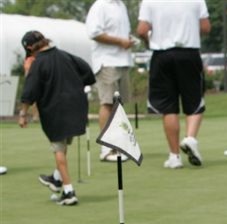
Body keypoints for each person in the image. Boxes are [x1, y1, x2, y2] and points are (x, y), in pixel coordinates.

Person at [18, 31, 95, 206]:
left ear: (30, 48)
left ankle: (69, 191)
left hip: (57, 111)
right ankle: (56, 178)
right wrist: (74, 85)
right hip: (77, 108)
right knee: (63, 145)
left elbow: (29, 91)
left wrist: (23, 114)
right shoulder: (66, 55)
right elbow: (88, 74)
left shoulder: (38, 63)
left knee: (58, 149)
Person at [136, 0, 210, 169]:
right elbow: (205, 27)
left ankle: (174, 156)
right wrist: (189, 30)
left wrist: (148, 42)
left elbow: (141, 30)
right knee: (195, 100)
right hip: (189, 53)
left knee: (168, 107)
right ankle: (190, 138)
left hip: (162, 55)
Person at [86, 0, 135, 162]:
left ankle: (118, 146)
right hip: (106, 61)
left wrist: (127, 40)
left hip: (123, 60)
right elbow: (94, 33)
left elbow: (119, 33)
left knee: (119, 105)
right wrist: (120, 41)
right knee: (107, 103)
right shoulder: (100, 6)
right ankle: (106, 149)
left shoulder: (121, 6)